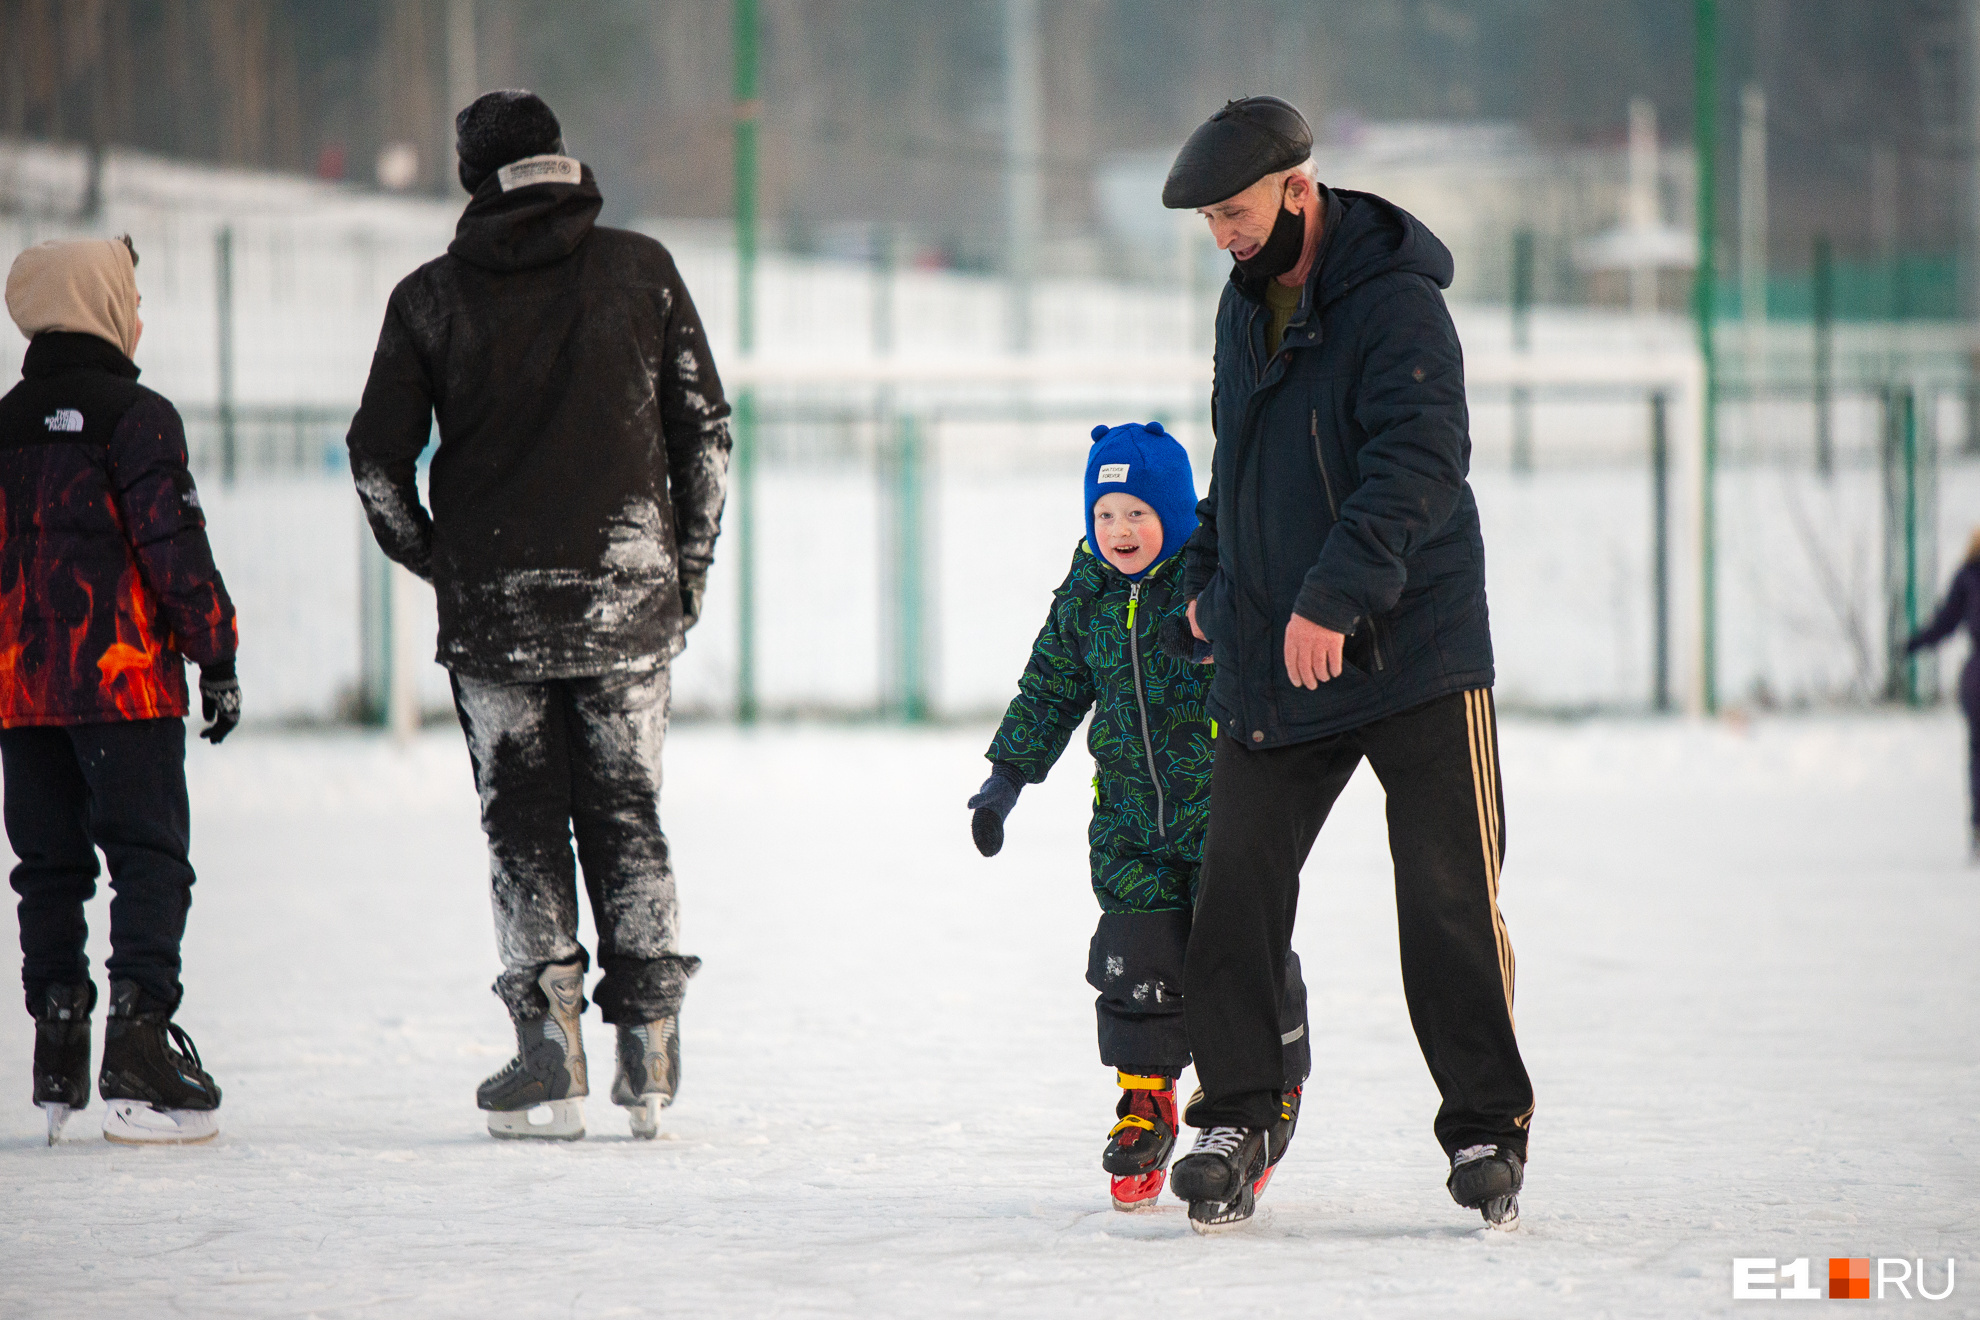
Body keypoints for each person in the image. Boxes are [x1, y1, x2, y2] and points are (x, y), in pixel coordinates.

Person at [1156, 96, 1534, 1231]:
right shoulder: (1241, 309)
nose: (1223, 233)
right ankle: (1235, 1113)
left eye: (1236, 211)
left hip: (1412, 648)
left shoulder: (1398, 305)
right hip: (1280, 657)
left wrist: (1331, 598)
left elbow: (1418, 465)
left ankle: (1484, 1127)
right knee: (1233, 896)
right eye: (1211, 219)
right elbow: (1243, 454)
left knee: (1446, 898)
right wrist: (1209, 587)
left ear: (1298, 191)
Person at [346, 91, 731, 1141]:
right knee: (627, 808)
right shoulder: (641, 270)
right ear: (561, 159)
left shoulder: (430, 299)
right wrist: (682, 571)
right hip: (627, 591)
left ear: (475, 178)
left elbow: (377, 461)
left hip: (497, 608)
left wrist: (444, 563)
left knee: (520, 821)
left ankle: (547, 1050)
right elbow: (706, 434)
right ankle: (649, 1051)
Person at [967, 421, 1311, 1212]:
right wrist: (1006, 779)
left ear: (1175, 516)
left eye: (1137, 514)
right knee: (1137, 962)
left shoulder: (1210, 581)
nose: (1119, 532)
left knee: (1240, 957)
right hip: (1127, 822)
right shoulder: (1086, 590)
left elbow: (1270, 660)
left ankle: (1270, 1088)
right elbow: (1050, 685)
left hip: (1225, 813)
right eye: (1106, 514)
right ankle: (1146, 1100)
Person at [0, 237, 240, 1146]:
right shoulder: (138, 418)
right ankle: (138, 1042)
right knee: (148, 856)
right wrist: (214, 654)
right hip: (124, 687)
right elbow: (173, 546)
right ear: (103, 307)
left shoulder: (1, 425)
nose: (139, 316)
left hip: (21, 697)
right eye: (130, 298)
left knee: (49, 867)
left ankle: (57, 1043)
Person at [1906, 528, 1980, 854]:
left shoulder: (1967, 576)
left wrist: (1916, 642)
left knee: (1978, 754)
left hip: (1977, 678)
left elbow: (1946, 622)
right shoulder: (1967, 577)